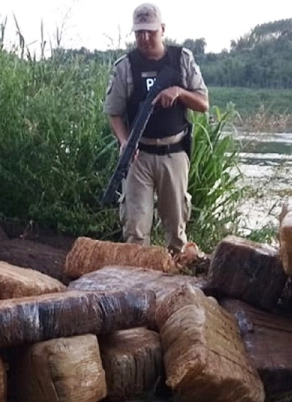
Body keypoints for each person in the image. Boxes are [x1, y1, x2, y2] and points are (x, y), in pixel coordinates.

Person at [103, 3, 209, 255]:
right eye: (139, 32)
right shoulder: (126, 66)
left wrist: (179, 92)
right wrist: (124, 142)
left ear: (162, 29)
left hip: (174, 153)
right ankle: (137, 276)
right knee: (135, 230)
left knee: (176, 231)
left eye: (150, 31)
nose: (144, 38)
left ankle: (178, 273)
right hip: (138, 156)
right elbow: (114, 112)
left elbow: (203, 103)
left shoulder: (181, 59)